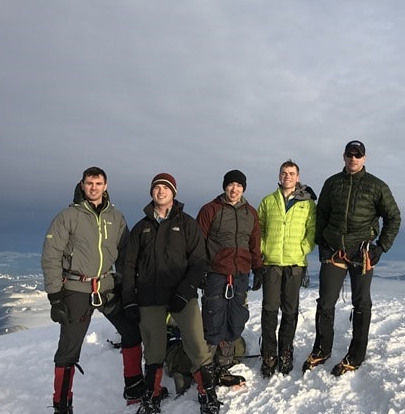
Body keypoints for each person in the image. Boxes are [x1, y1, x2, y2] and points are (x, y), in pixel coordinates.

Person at [41, 167, 144, 414]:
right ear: (82, 185)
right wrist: (55, 297)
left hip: (107, 284)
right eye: (89, 183)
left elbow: (126, 255)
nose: (94, 188)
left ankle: (135, 391)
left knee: (132, 331)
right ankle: (62, 405)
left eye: (98, 183)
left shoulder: (116, 217)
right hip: (76, 287)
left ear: (105, 186)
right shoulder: (68, 216)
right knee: (69, 348)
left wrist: (128, 287)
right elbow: (51, 255)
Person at [121, 173, 221, 414]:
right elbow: (128, 266)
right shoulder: (141, 227)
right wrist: (129, 300)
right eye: (157, 187)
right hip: (149, 298)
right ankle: (151, 396)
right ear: (151, 192)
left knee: (197, 345)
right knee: (153, 349)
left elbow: (198, 261)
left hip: (182, 296)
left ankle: (207, 394)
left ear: (173, 193)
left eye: (165, 188)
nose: (161, 191)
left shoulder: (187, 224)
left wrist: (185, 292)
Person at [302, 141, 401, 376]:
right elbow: (321, 214)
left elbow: (393, 217)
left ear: (364, 158)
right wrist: (322, 242)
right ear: (344, 156)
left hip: (362, 252)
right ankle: (322, 350)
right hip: (333, 251)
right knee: (326, 302)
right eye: (350, 154)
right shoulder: (332, 183)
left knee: (361, 303)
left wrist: (381, 248)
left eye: (358, 155)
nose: (353, 158)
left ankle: (355, 356)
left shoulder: (377, 186)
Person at [196, 170, 263, 387]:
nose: (234, 189)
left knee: (236, 320)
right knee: (213, 322)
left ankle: (223, 368)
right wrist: (198, 271)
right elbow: (198, 243)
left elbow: (254, 244)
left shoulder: (250, 213)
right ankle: (206, 370)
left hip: (241, 274)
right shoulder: (210, 210)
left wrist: (258, 268)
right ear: (225, 186)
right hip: (216, 274)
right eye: (231, 185)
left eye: (239, 186)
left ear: (244, 188)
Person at [257, 160, 316, 377]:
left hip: (295, 263)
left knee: (290, 311)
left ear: (298, 177)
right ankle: (269, 354)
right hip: (272, 263)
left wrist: (303, 249)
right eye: (284, 173)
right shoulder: (268, 201)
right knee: (269, 310)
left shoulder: (307, 203)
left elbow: (312, 230)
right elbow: (259, 228)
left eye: (291, 173)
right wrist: (264, 249)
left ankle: (285, 352)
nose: (287, 176)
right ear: (279, 175)